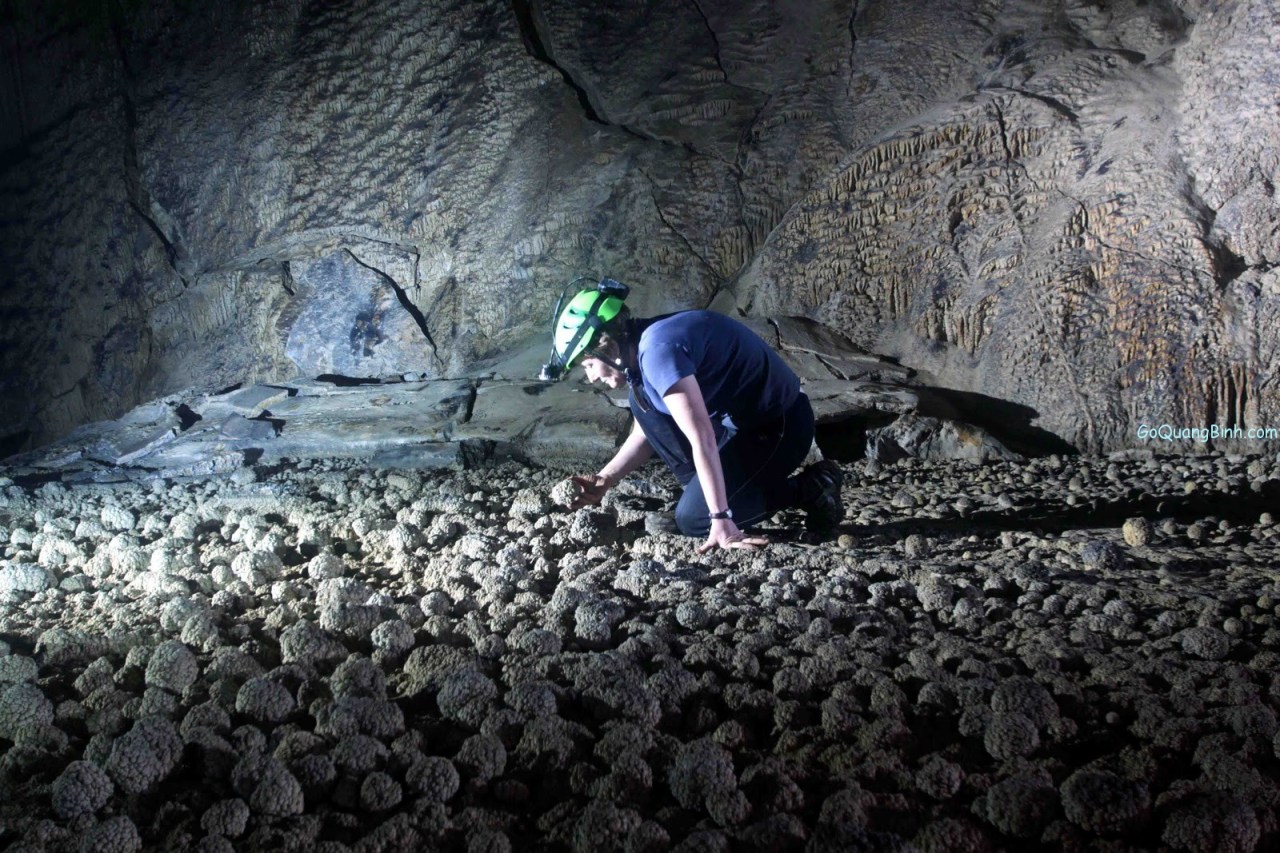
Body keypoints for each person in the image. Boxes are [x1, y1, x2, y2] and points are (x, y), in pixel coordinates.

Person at [539, 278, 843, 553]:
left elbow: (702, 437)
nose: (591, 377)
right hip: (740, 425)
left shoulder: (658, 350)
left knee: (694, 522)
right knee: (640, 401)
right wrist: (606, 478)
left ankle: (811, 488)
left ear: (608, 345)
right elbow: (646, 432)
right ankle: (710, 495)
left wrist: (719, 519)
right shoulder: (642, 350)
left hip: (781, 425)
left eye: (589, 365)